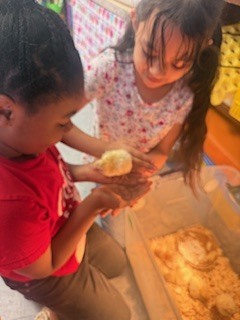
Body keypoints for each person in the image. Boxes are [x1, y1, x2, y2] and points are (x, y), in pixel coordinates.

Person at [0, 1, 152, 320]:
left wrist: (87, 171)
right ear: (6, 110)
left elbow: (47, 177)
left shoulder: (22, 138)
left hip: (59, 216)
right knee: (120, 316)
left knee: (117, 263)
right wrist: (94, 204)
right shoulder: (9, 204)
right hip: (44, 270)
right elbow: (50, 263)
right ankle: (54, 309)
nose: (67, 131)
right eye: (63, 123)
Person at [62, 0, 225, 246]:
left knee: (136, 235)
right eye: (150, 53)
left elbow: (161, 151)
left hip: (135, 176)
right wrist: (104, 151)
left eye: (178, 64)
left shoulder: (184, 94)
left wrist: (138, 176)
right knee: (112, 234)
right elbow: (58, 123)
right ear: (136, 21)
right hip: (101, 168)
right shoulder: (110, 68)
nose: (158, 72)